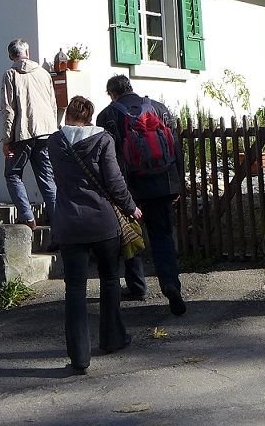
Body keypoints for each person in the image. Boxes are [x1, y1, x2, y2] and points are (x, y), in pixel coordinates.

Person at [48, 95, 140, 375]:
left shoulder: (55, 141)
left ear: (68, 115)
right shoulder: (103, 140)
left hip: (69, 222)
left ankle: (79, 356)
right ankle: (112, 338)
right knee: (110, 280)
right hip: (102, 221)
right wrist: (131, 207)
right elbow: (114, 180)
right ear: (90, 116)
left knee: (74, 289)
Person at [97, 74, 186, 314]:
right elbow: (176, 148)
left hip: (129, 188)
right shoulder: (159, 108)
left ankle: (137, 286)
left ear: (112, 93)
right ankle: (170, 284)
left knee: (131, 237)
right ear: (130, 87)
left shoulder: (107, 116)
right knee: (163, 236)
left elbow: (108, 159)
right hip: (164, 184)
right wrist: (177, 183)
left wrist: (112, 191)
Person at [0, 38, 58, 229]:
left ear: (11, 56)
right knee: (47, 179)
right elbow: (53, 105)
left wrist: (6, 139)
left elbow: (9, 110)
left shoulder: (10, 74)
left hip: (22, 132)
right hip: (46, 132)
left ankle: (27, 217)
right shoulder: (43, 73)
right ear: (28, 53)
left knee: (13, 174)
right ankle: (60, 225)